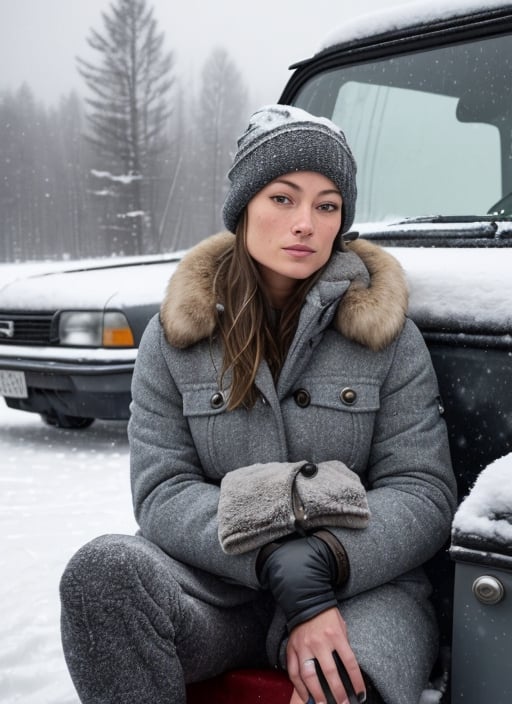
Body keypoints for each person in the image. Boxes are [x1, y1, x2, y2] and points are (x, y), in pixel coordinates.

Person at [60, 105, 457, 704]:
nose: (306, 223)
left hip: (363, 590)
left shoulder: (388, 336)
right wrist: (271, 553)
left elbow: (423, 491)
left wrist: (324, 562)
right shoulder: (175, 339)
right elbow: (162, 489)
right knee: (101, 576)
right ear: (243, 207)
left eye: (327, 205)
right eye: (282, 198)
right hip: (218, 589)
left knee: (346, 684)